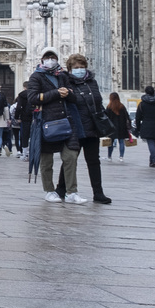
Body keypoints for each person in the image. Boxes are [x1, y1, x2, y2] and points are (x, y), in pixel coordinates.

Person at [27, 47, 87, 203]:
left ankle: (71, 192)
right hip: (46, 122)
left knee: (71, 156)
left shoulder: (63, 76)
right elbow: (32, 97)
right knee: (46, 160)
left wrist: (69, 93)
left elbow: (74, 97)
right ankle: (49, 190)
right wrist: (56, 93)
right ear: (41, 60)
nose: (50, 59)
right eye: (47, 57)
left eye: (53, 57)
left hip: (66, 121)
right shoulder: (36, 77)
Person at [54, 54, 113, 204]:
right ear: (70, 69)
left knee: (94, 161)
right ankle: (61, 188)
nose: (79, 70)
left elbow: (97, 102)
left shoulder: (92, 82)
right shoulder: (66, 82)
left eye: (82, 67)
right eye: (76, 68)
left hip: (92, 127)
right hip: (75, 127)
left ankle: (98, 193)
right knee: (70, 159)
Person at [105, 92, 131, 160]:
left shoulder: (109, 107)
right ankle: (121, 157)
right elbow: (127, 117)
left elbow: (106, 117)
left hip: (112, 127)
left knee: (110, 142)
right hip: (121, 127)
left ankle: (109, 156)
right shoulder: (122, 106)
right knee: (121, 142)